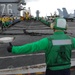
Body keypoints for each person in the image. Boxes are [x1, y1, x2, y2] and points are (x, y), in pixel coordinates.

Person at [7, 17, 75, 75]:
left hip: (52, 71)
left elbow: (31, 47)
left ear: (53, 26)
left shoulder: (47, 41)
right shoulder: (71, 40)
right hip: (66, 71)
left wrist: (14, 49)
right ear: (65, 27)